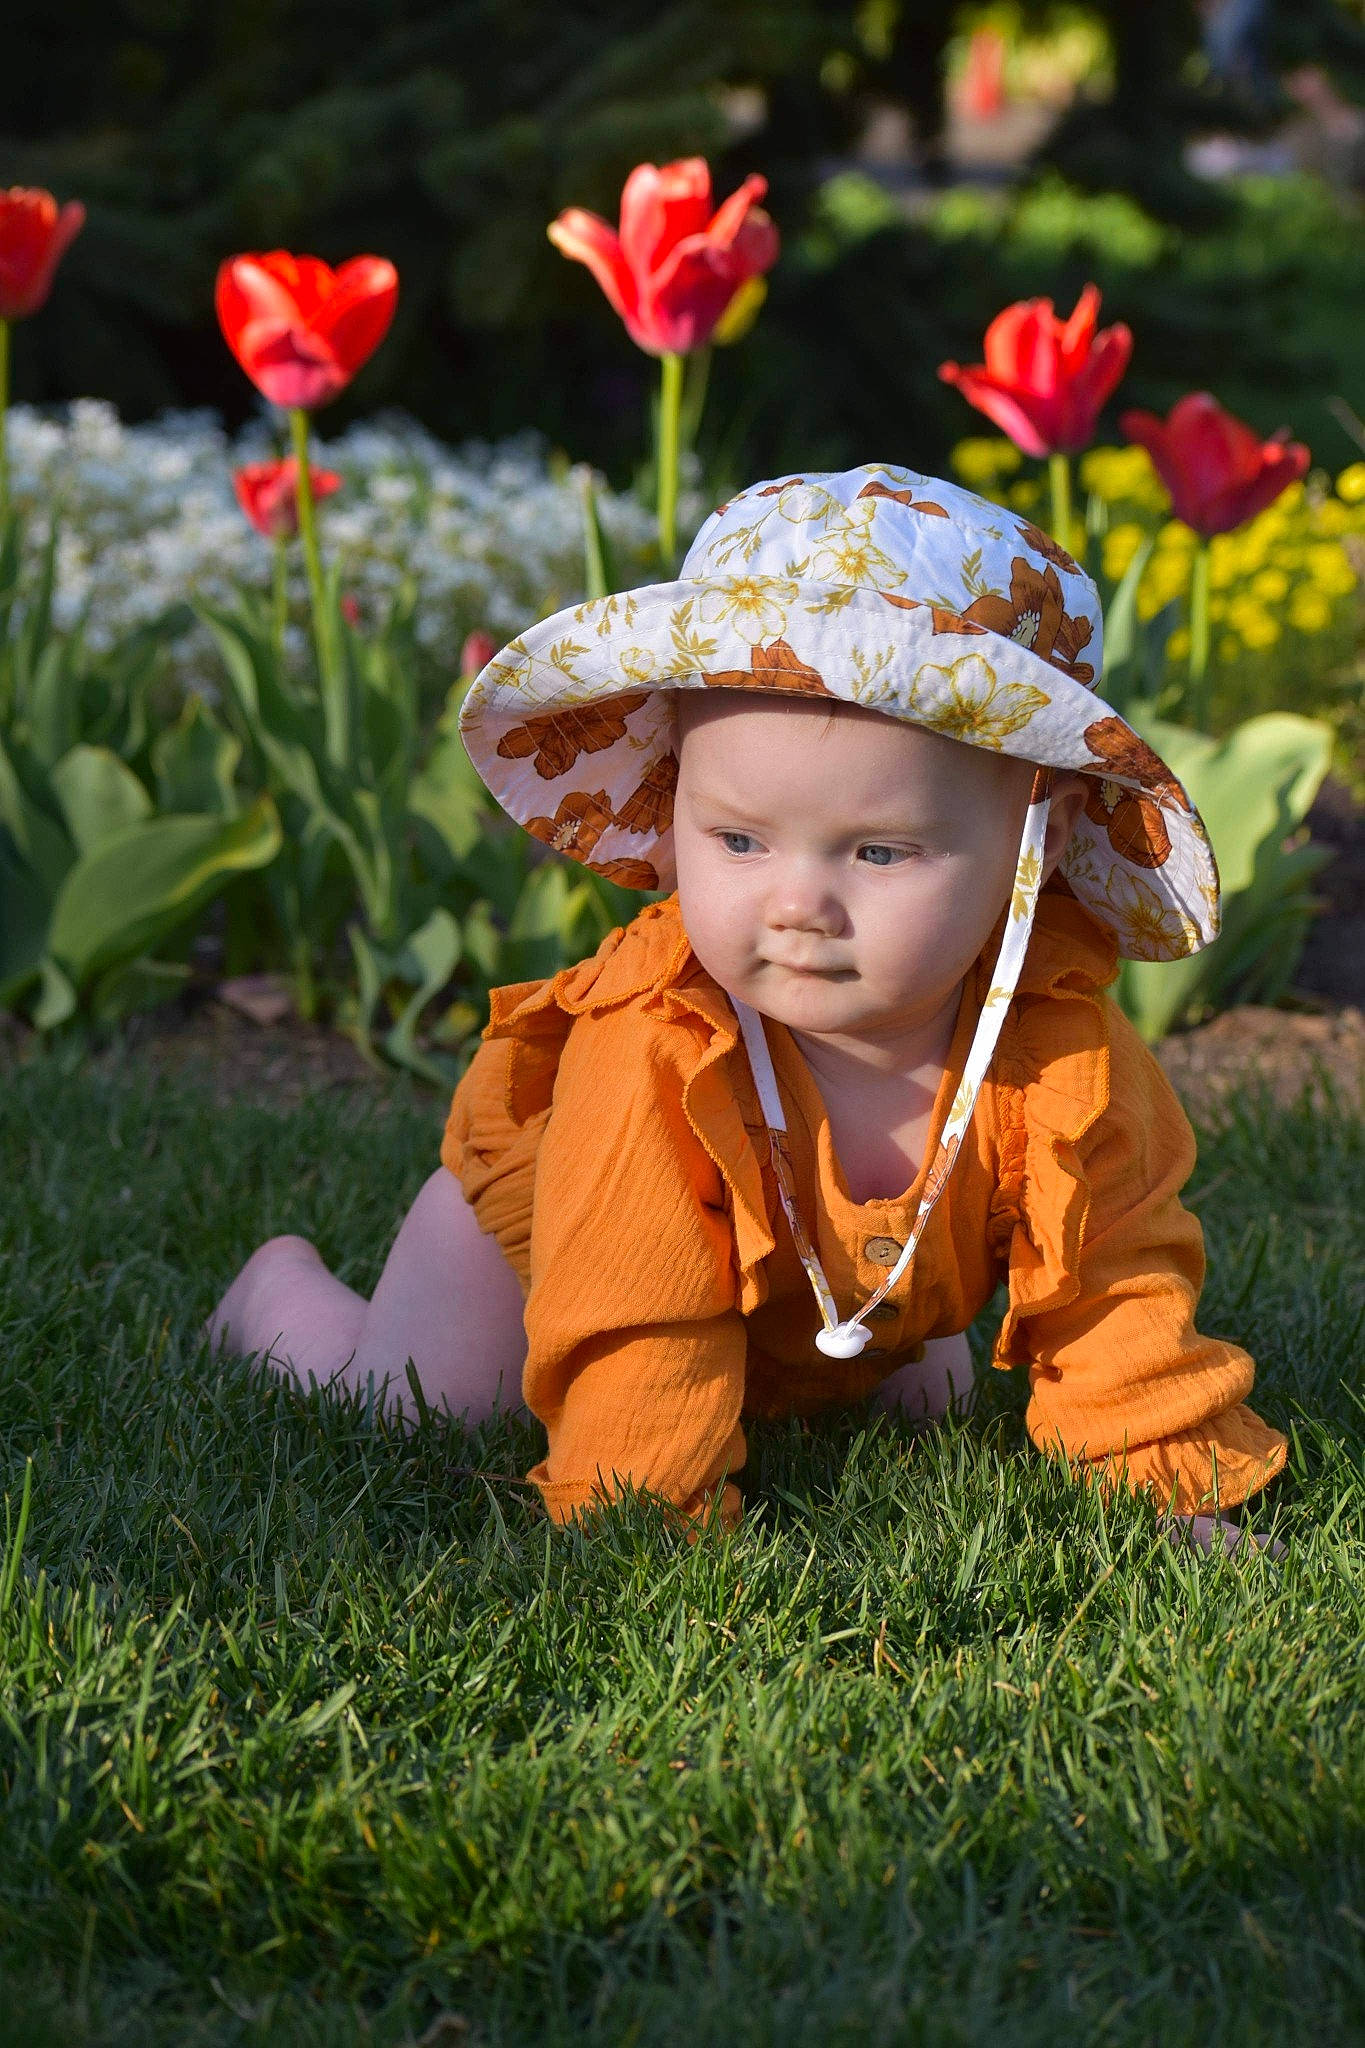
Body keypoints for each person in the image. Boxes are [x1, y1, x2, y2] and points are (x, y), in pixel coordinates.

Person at [208, 465, 1288, 1555]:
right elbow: (635, 1294)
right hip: (556, 1248)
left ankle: (868, 1341)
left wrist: (1169, 1497)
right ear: (677, 797)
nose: (799, 904)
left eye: (878, 850)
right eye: (737, 840)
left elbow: (1120, 1278)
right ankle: (280, 1298)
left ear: (1031, 834)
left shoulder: (1057, 1048)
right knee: (428, 1406)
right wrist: (651, 1511)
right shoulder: (660, 1042)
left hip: (833, 1286)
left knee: (932, 1414)